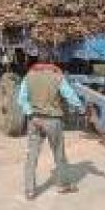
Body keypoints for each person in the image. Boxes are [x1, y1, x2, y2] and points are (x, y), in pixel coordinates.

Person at [17, 49, 85, 200]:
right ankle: (63, 185)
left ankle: (30, 190)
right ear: (51, 61)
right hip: (53, 120)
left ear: (38, 61)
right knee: (59, 154)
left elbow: (21, 99)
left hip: (34, 120)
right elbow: (69, 95)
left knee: (32, 155)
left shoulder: (28, 77)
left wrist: (31, 114)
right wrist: (81, 108)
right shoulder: (57, 76)